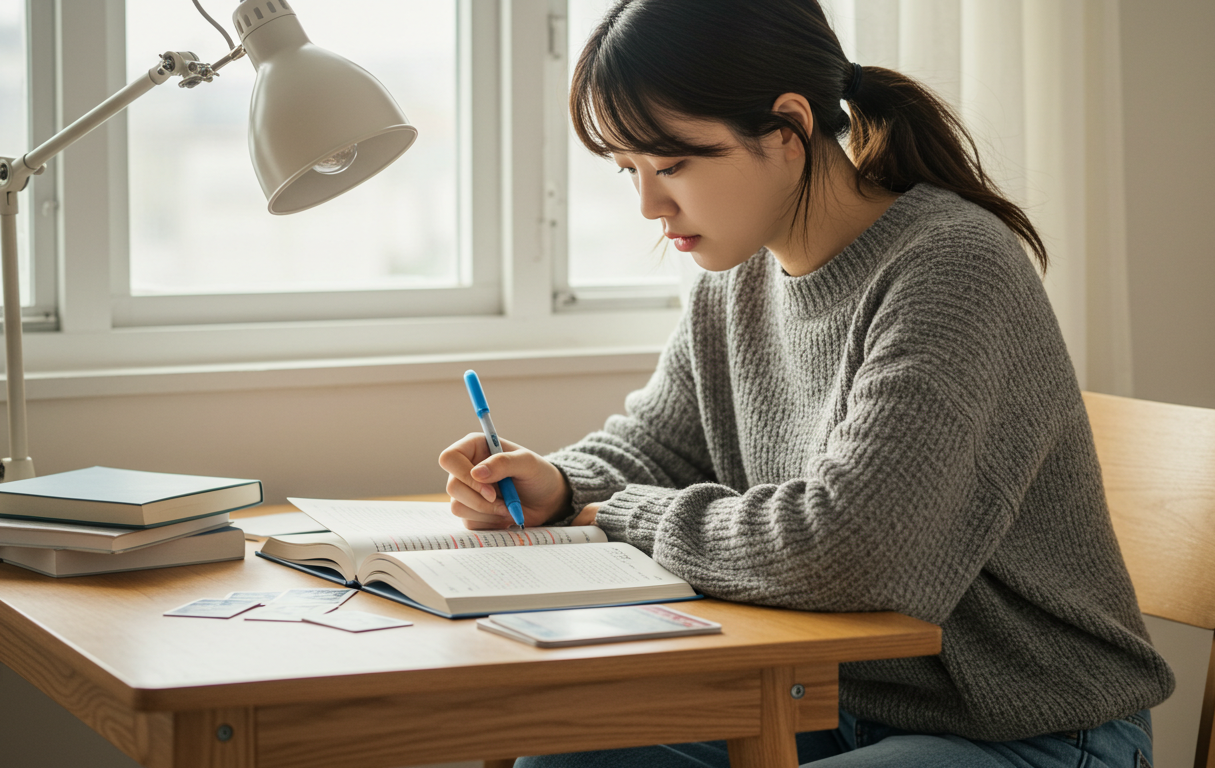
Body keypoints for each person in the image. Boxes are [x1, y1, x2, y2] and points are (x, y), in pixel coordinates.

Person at [438, 0, 1174, 765]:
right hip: (828, 703)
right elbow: (660, 445)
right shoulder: (735, 283)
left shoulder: (953, 268)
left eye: (673, 165)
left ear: (787, 131)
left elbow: (855, 549)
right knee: (563, 756)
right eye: (630, 171)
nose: (650, 206)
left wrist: (622, 516)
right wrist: (556, 483)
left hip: (1032, 731)